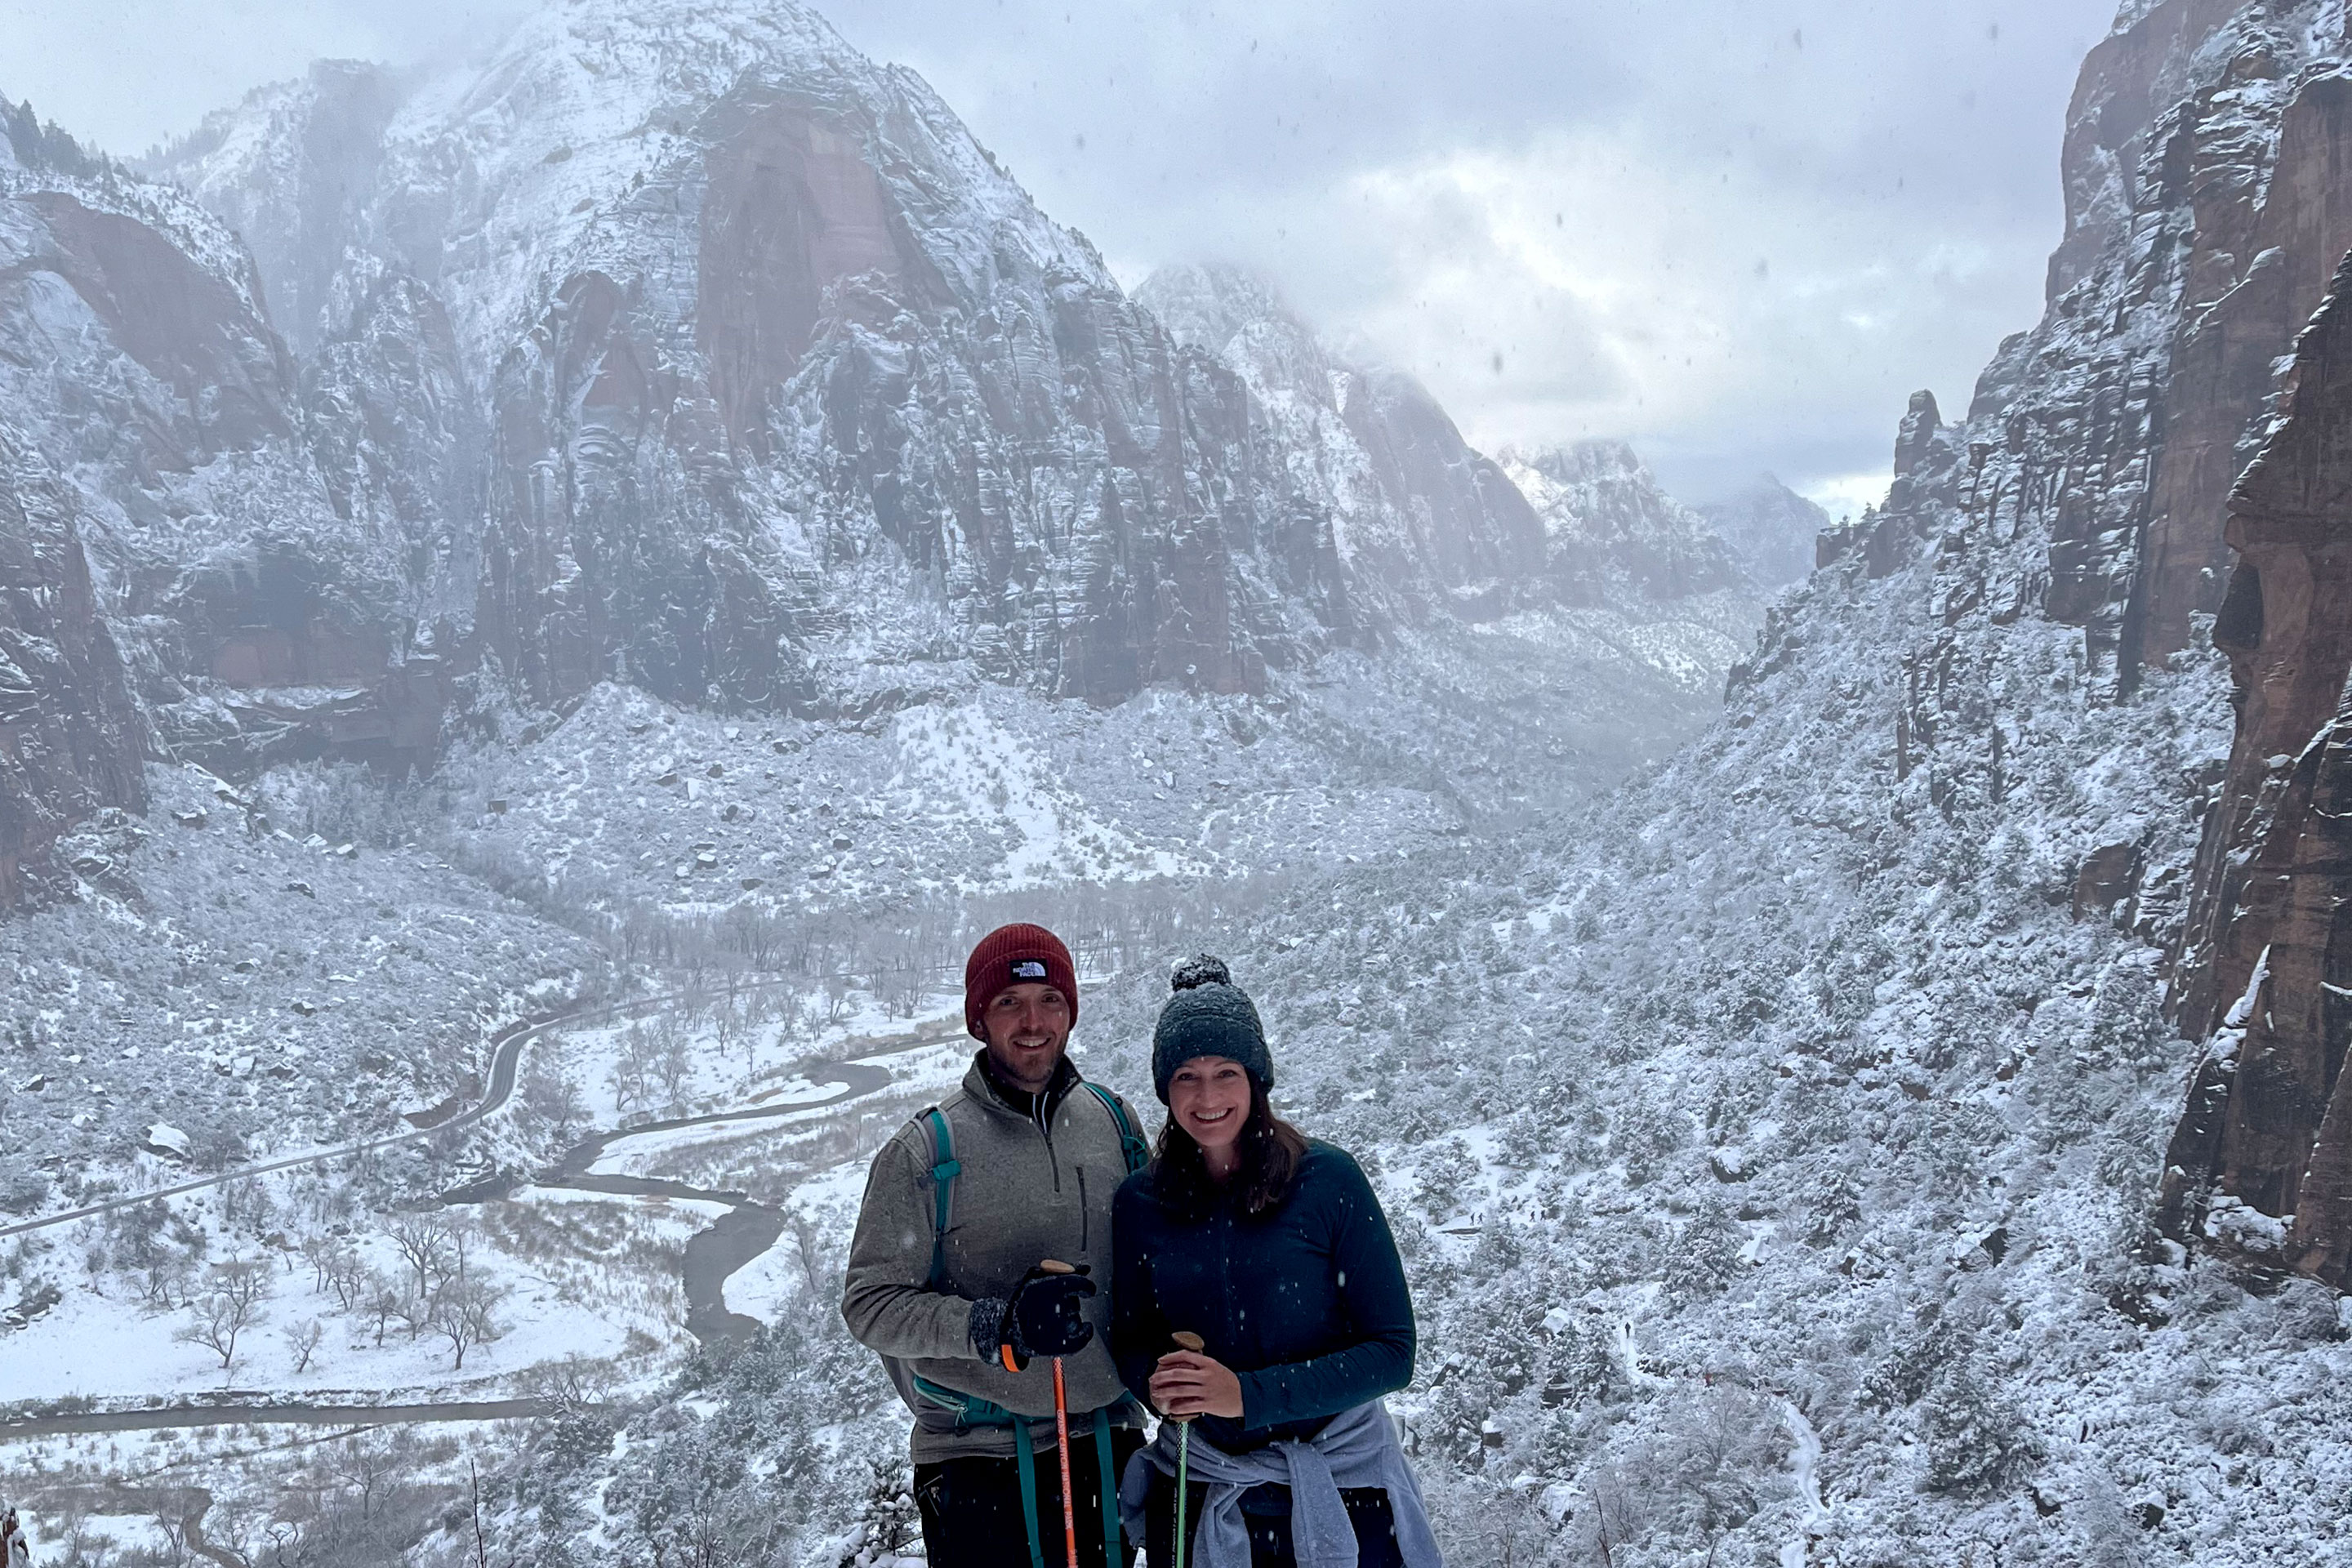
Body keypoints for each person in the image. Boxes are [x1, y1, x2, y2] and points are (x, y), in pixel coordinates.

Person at [1112, 958, 1443, 1568]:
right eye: (1186, 1076)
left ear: (1256, 1079)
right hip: (1204, 1486)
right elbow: (1130, 1336)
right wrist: (1157, 1385)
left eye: (1225, 1073)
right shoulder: (1141, 1201)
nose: (1207, 1097)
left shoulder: (1328, 1182)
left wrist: (1248, 1395)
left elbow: (1393, 1352)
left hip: (1343, 1491)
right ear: (1165, 1088)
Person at [843, 922, 1151, 1567]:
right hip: (976, 1459)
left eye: (1050, 1002)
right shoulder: (926, 1151)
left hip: (1108, 1443)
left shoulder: (1116, 1125)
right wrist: (996, 1325)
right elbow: (869, 1306)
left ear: (1070, 1012)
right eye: (1009, 1002)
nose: (1032, 1021)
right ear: (979, 1020)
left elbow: (1153, 1272)